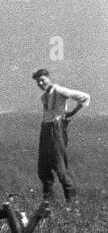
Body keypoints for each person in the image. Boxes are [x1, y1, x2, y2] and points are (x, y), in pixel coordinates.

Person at [32, 68, 91, 204]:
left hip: (55, 129)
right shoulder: (45, 96)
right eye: (38, 82)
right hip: (46, 129)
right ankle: (48, 204)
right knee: (43, 169)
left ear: (48, 78)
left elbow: (85, 97)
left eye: (43, 80)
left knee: (60, 167)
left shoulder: (58, 90)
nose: (41, 83)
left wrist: (72, 112)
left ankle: (72, 204)